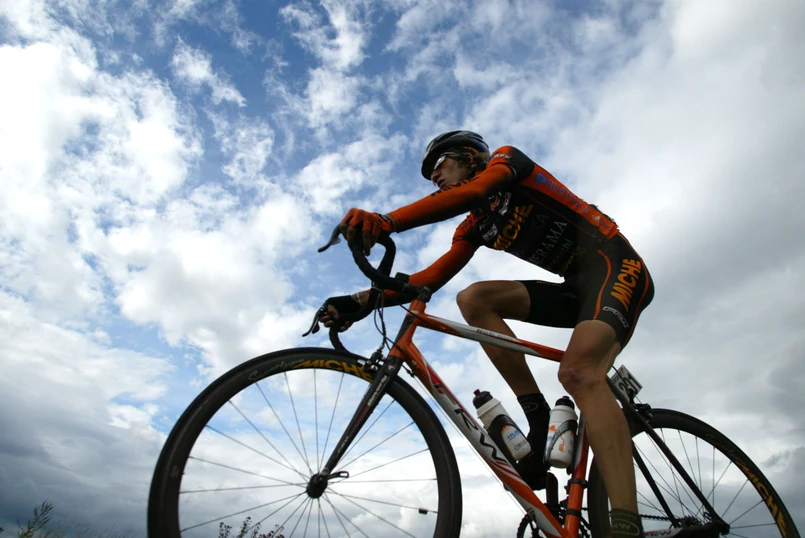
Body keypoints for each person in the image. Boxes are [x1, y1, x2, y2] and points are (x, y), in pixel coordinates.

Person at [321, 131, 654, 537]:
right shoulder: (474, 227)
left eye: (438, 165)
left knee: (579, 373)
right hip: (575, 291)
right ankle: (537, 415)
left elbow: (475, 191)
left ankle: (625, 524)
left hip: (617, 265)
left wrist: (387, 221)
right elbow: (427, 281)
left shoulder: (507, 162)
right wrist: (359, 302)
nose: (433, 178)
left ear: (468, 155)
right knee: (473, 298)